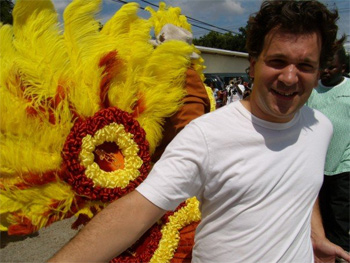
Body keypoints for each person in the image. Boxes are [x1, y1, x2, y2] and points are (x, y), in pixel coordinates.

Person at [49, 1, 350, 262]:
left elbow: (303, 183)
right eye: (278, 61)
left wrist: (316, 235)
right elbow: (135, 213)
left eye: (305, 65)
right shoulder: (207, 135)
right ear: (254, 63)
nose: (289, 77)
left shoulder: (320, 127)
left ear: (318, 70)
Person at [306, 46, 350, 254]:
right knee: (317, 214)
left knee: (339, 215)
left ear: (343, 67)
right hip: (315, 164)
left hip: (343, 165)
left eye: (331, 67)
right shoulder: (312, 91)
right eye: (322, 66)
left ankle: (341, 253)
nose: (325, 71)